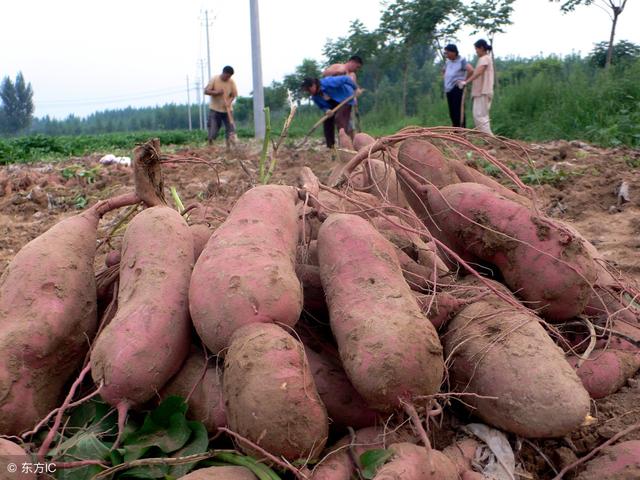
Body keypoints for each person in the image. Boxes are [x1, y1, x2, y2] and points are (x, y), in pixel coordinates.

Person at [301, 75, 358, 149]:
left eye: (309, 90)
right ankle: (331, 147)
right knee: (327, 122)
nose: (309, 93)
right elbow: (322, 106)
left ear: (313, 85)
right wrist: (327, 110)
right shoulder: (315, 97)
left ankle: (345, 144)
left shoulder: (328, 82)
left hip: (345, 100)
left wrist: (356, 89)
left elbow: (346, 79)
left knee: (340, 119)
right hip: (332, 106)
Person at [460, 39, 494, 135]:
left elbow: (478, 72)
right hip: (480, 91)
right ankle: (488, 140)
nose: (476, 52)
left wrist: (466, 82)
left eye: (477, 49)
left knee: (480, 116)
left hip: (483, 91)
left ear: (482, 48)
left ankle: (491, 140)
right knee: (479, 116)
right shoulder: (483, 59)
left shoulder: (485, 58)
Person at [323, 55, 364, 133]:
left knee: (349, 124)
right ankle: (340, 142)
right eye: (357, 67)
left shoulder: (352, 75)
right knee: (338, 121)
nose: (357, 69)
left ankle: (351, 142)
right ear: (352, 62)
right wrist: (336, 72)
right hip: (335, 101)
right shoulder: (338, 67)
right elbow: (325, 73)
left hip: (347, 102)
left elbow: (354, 90)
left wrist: (355, 102)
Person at [204, 65, 238, 146]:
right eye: (227, 76)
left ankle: (229, 147)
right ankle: (210, 145)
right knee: (213, 131)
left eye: (230, 76)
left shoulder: (231, 82)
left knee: (231, 129)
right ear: (223, 73)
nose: (228, 78)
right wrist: (216, 92)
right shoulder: (214, 79)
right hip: (215, 110)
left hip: (227, 110)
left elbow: (234, 95)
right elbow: (206, 91)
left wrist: (229, 102)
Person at [442, 44, 473, 128]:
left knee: (458, 111)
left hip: (457, 87)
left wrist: (464, 81)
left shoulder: (461, 61)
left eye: (447, 53)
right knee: (452, 112)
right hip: (448, 89)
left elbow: (470, 70)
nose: (446, 55)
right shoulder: (448, 62)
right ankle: (455, 130)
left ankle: (462, 130)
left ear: (453, 52)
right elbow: (444, 70)